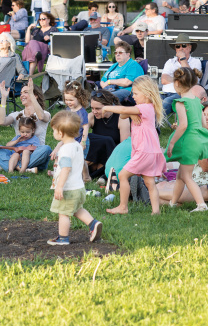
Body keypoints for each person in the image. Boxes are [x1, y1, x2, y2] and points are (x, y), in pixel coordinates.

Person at [104, 76, 167, 215]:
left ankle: (123, 207)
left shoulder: (144, 107)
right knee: (150, 182)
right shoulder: (146, 108)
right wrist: (131, 114)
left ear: (147, 94)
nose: (133, 96)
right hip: (150, 151)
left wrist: (106, 107)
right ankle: (156, 211)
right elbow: (123, 116)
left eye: (136, 93)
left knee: (122, 175)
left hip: (143, 151)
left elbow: (123, 111)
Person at [46, 110, 103, 246]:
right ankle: (93, 224)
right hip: (79, 188)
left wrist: (59, 187)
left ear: (60, 133)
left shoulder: (65, 149)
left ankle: (63, 238)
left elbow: (66, 168)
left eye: (54, 130)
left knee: (63, 213)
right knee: (77, 209)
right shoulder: (77, 146)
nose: (53, 133)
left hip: (68, 189)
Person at [160, 81, 208, 211]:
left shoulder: (181, 102)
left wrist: (172, 142)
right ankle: (173, 203)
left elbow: (183, 125)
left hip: (188, 143)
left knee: (186, 177)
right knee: (180, 176)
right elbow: (204, 125)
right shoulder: (197, 102)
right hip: (197, 141)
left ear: (177, 83)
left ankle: (201, 204)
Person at [0, 78, 53, 172]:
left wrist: (31, 94)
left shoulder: (45, 114)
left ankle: (12, 165)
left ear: (35, 95)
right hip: (17, 154)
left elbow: (41, 116)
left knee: (46, 149)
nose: (22, 95)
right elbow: (2, 122)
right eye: (21, 93)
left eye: (26, 92)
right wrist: (3, 98)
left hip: (35, 154)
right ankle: (23, 167)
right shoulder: (16, 115)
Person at [86, 90, 131, 181]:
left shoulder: (121, 118)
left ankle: (102, 173)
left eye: (98, 108)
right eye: (92, 108)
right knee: (89, 137)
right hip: (96, 154)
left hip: (113, 154)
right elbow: (77, 136)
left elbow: (124, 146)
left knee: (107, 140)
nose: (94, 111)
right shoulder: (91, 117)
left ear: (109, 106)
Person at [160, 34, 204, 112]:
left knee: (166, 102)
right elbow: (164, 80)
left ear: (190, 48)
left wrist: (183, 59)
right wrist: (181, 79)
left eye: (183, 45)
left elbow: (191, 80)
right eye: (178, 46)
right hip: (165, 93)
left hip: (183, 94)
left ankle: (156, 120)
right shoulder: (170, 62)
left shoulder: (196, 62)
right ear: (175, 49)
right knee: (149, 99)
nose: (180, 48)